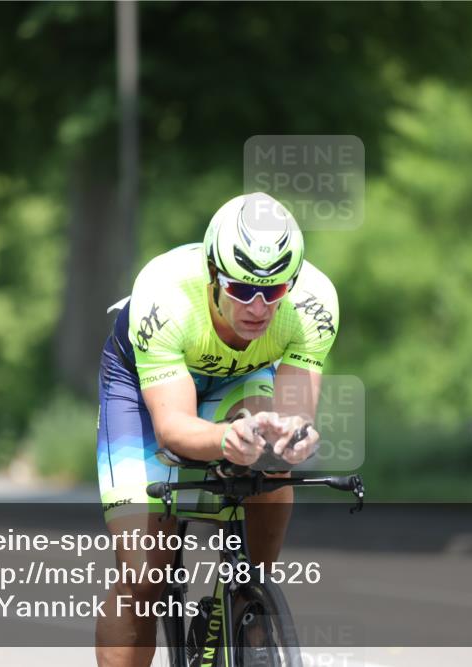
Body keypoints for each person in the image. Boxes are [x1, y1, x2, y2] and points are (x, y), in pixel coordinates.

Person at [95, 192, 339, 666]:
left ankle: (249, 595)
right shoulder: (164, 297)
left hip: (242, 375)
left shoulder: (313, 303)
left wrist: (294, 436)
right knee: (145, 579)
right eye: (242, 288)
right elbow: (173, 429)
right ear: (212, 272)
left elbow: (294, 415)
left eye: (274, 291)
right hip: (143, 388)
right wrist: (226, 440)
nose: (258, 306)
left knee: (271, 451)